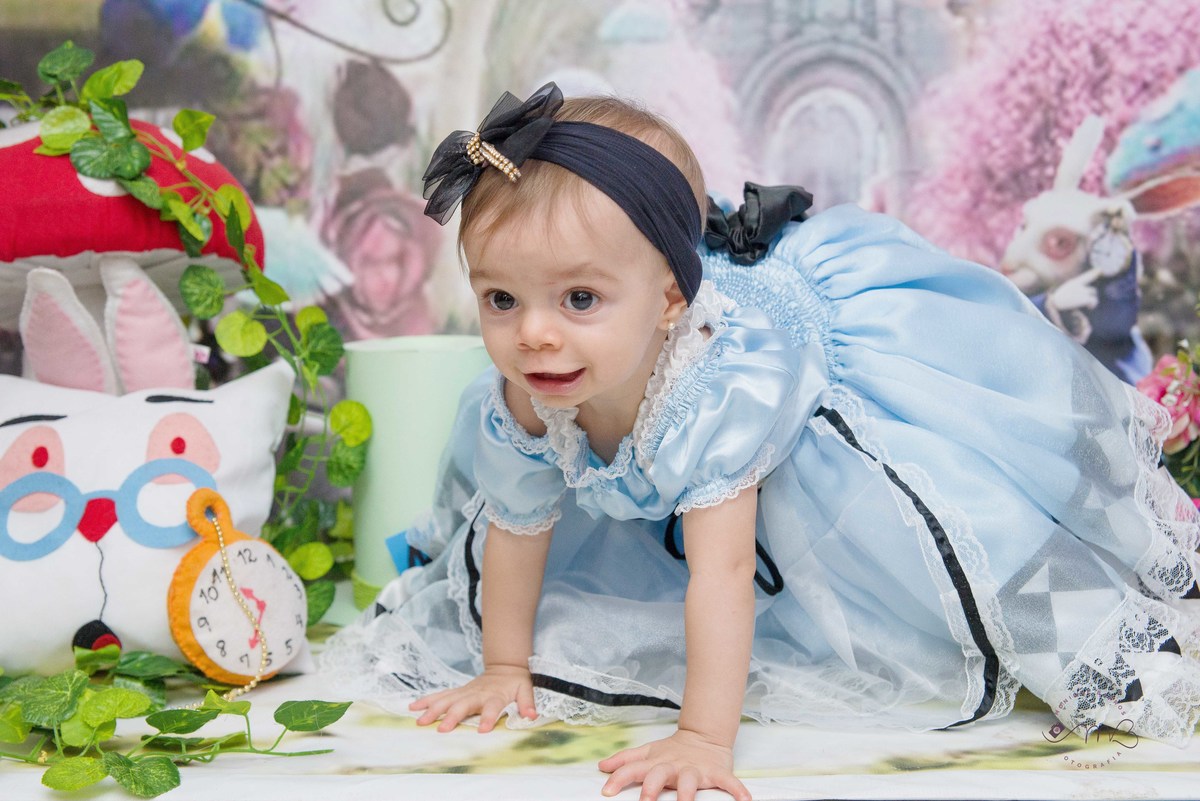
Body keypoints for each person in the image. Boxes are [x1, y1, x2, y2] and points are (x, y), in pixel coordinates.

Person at [319, 83, 1200, 801]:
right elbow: (519, 527)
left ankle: (1100, 633)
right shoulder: (525, 394)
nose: (534, 334)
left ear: (670, 299)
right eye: (501, 300)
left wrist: (703, 737)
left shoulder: (717, 392)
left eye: (579, 299)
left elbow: (724, 571)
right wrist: (504, 665)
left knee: (961, 533)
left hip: (817, 397)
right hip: (646, 406)